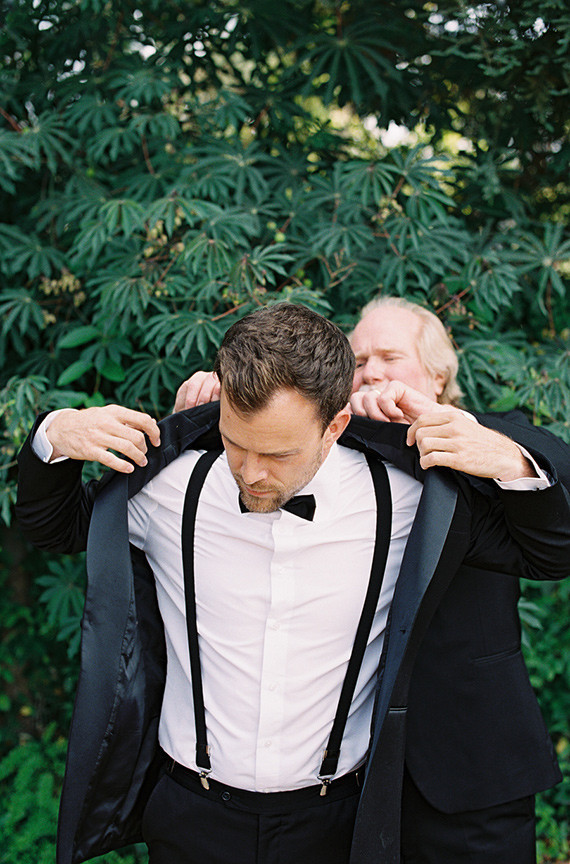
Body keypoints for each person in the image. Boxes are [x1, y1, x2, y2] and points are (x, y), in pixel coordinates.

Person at [16, 303, 570, 864]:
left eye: (278, 454)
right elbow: (57, 525)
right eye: (236, 444)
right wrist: (53, 436)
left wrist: (512, 460)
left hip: (336, 823)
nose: (252, 472)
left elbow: (549, 550)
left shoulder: (408, 499)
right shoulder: (170, 485)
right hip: (190, 815)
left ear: (334, 427)